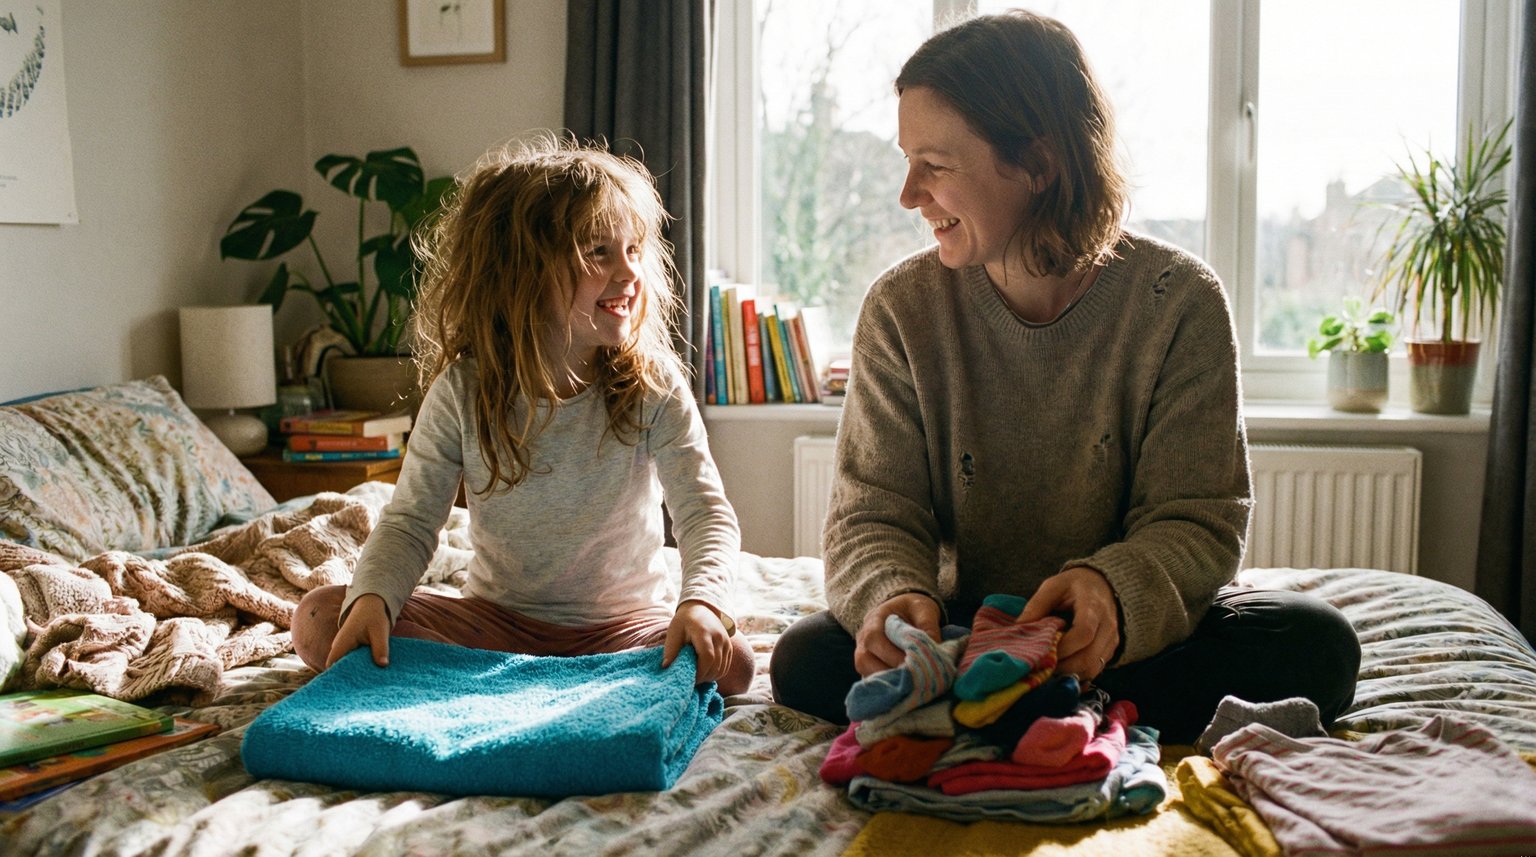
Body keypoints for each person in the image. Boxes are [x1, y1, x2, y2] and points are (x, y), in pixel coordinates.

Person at [768, 10, 1360, 743]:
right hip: (963, 629)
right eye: (908, 160)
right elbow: (873, 515)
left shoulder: (1181, 303)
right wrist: (895, 603)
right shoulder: (902, 308)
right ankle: (1051, 707)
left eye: (937, 165)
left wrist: (1112, 591)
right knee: (802, 660)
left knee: (1319, 645)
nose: (908, 193)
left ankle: (987, 711)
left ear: (1039, 165)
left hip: (1124, 639)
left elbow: (1199, 518)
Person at [292, 136, 755, 697]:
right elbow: (412, 522)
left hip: (623, 627)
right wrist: (372, 601)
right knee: (319, 618)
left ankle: (522, 683)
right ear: (522, 272)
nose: (629, 272)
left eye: (634, 250)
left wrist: (702, 603)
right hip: (496, 625)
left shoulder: (652, 384)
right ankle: (566, 683)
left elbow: (705, 514)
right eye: (599, 252)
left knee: (734, 666)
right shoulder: (464, 389)